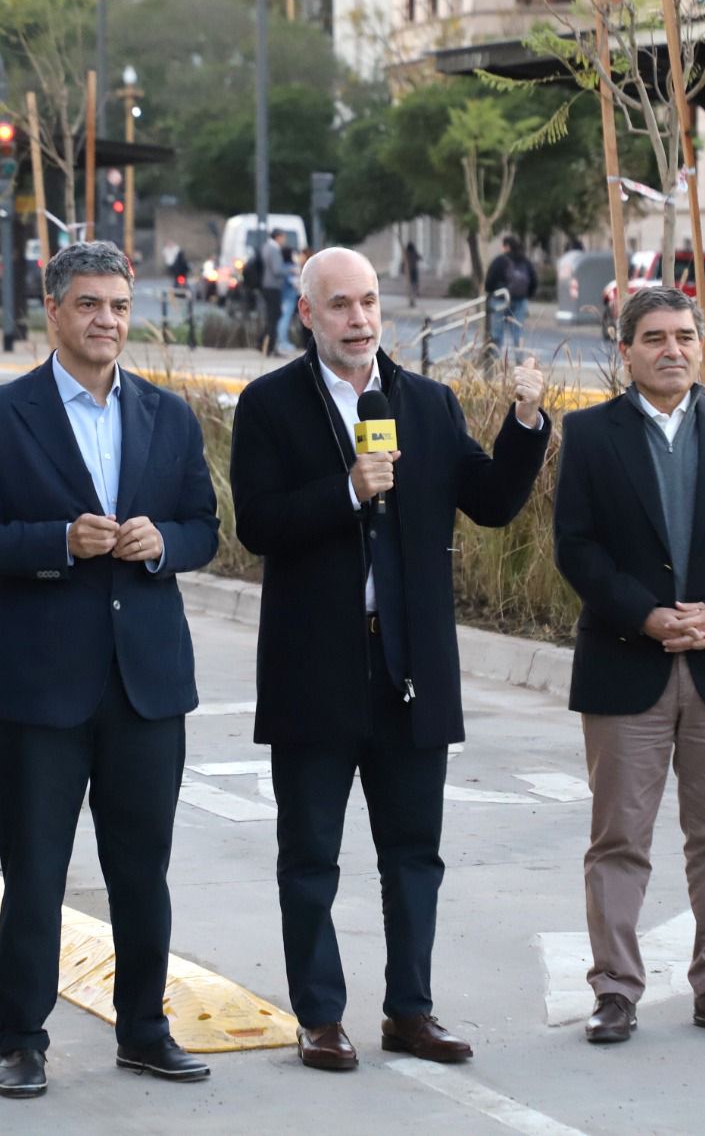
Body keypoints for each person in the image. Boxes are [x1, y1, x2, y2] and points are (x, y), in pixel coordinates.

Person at [229, 247, 550, 1071]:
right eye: (340, 305)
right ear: (307, 314)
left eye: (369, 302)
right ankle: (320, 1015)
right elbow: (257, 524)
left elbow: (492, 502)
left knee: (414, 853)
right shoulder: (269, 406)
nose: (359, 319)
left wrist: (523, 424)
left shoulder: (428, 403)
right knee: (310, 855)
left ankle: (411, 1009)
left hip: (411, 670)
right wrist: (346, 491)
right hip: (314, 668)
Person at [0, 241, 220, 1097]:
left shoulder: (168, 416)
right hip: (39, 685)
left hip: (146, 683)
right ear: (53, 311)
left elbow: (204, 526)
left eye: (120, 308)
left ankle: (144, 1027)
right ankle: (22, 1038)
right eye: (90, 305)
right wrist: (57, 542)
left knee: (143, 868)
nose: (107, 322)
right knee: (36, 870)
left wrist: (162, 543)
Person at [553, 286, 705, 1045]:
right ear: (625, 350)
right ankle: (615, 990)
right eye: (654, 337)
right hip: (629, 661)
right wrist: (647, 615)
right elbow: (577, 546)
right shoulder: (590, 434)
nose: (673, 349)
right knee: (619, 836)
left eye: (686, 335)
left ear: (703, 345)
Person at [483, 235, 536, 353]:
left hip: (500, 301)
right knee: (518, 333)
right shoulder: (525, 261)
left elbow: (489, 282)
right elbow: (533, 280)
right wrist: (527, 295)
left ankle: (495, 362)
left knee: (497, 334)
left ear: (506, 246)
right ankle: (520, 361)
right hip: (520, 300)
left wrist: (492, 292)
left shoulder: (500, 261)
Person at [260, 228, 288, 356]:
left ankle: (262, 342)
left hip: (266, 285)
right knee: (275, 316)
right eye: (283, 237)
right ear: (278, 237)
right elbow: (277, 270)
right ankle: (270, 347)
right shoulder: (274, 249)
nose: (284, 240)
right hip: (273, 286)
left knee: (271, 316)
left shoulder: (266, 247)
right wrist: (289, 271)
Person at [274, 243, 299, 353]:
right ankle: (282, 342)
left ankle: (282, 341)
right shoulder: (290, 268)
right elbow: (294, 282)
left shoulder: (282, 266)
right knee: (284, 320)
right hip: (288, 297)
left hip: (284, 296)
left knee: (283, 320)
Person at [403, 240, 422, 307]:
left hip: (409, 271)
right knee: (414, 285)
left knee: (411, 286)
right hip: (413, 270)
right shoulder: (413, 252)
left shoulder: (406, 253)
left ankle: (412, 300)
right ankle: (413, 298)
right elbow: (420, 258)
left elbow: (403, 262)